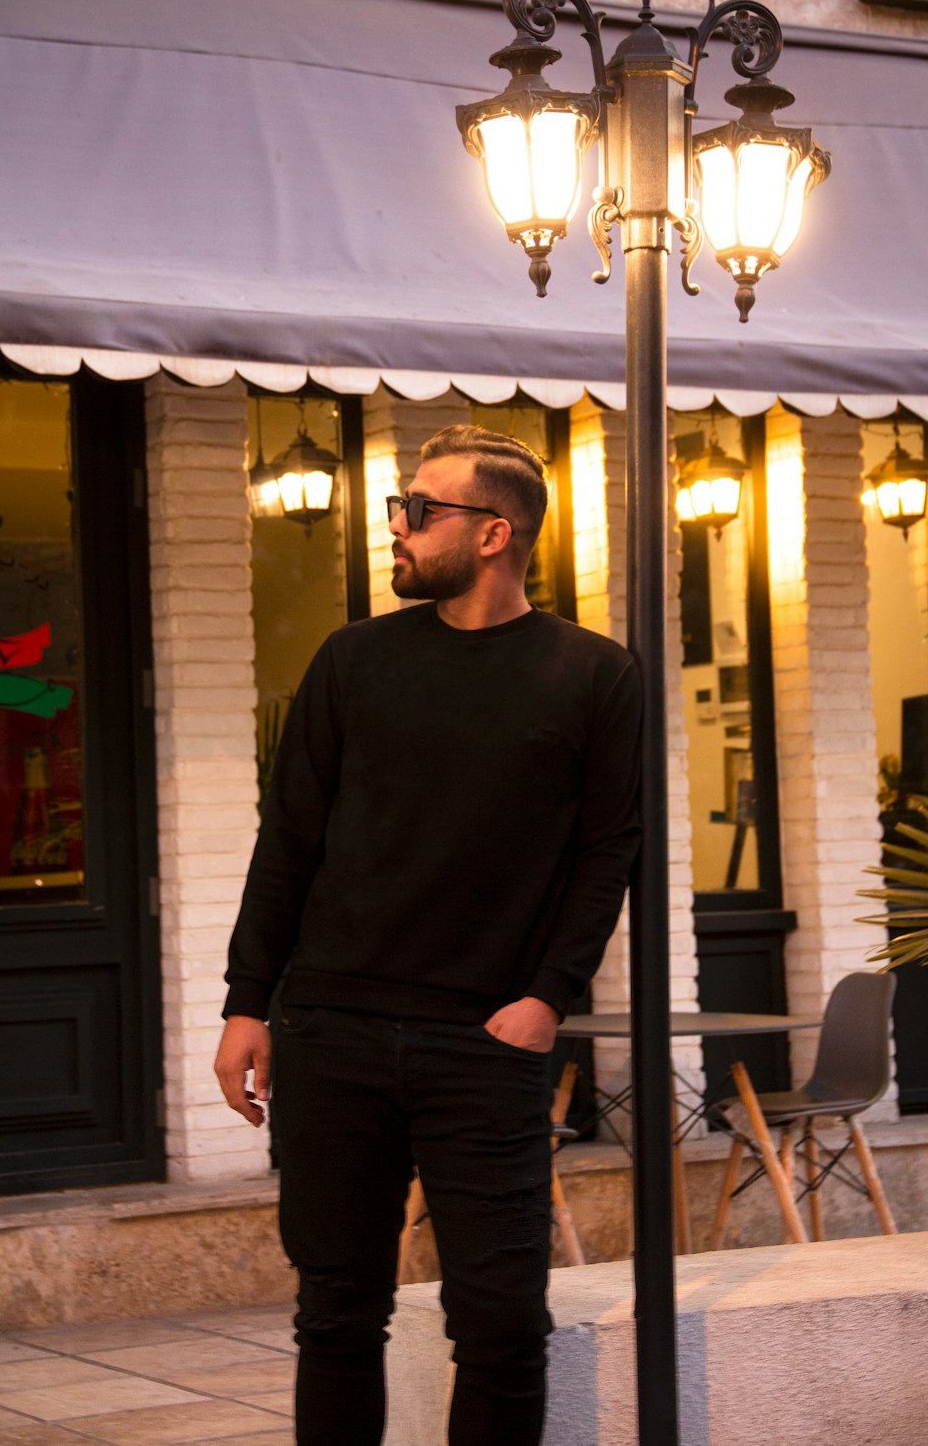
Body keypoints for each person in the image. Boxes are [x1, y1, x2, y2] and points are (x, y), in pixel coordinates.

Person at [214, 424, 642, 1446]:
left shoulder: (592, 675)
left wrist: (547, 998)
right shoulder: (353, 661)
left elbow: (606, 855)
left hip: (484, 1040)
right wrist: (244, 1003)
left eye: (417, 511)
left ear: (494, 534)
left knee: (498, 1322)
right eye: (397, 510)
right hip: (331, 1032)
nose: (395, 530)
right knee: (336, 1315)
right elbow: (291, 844)